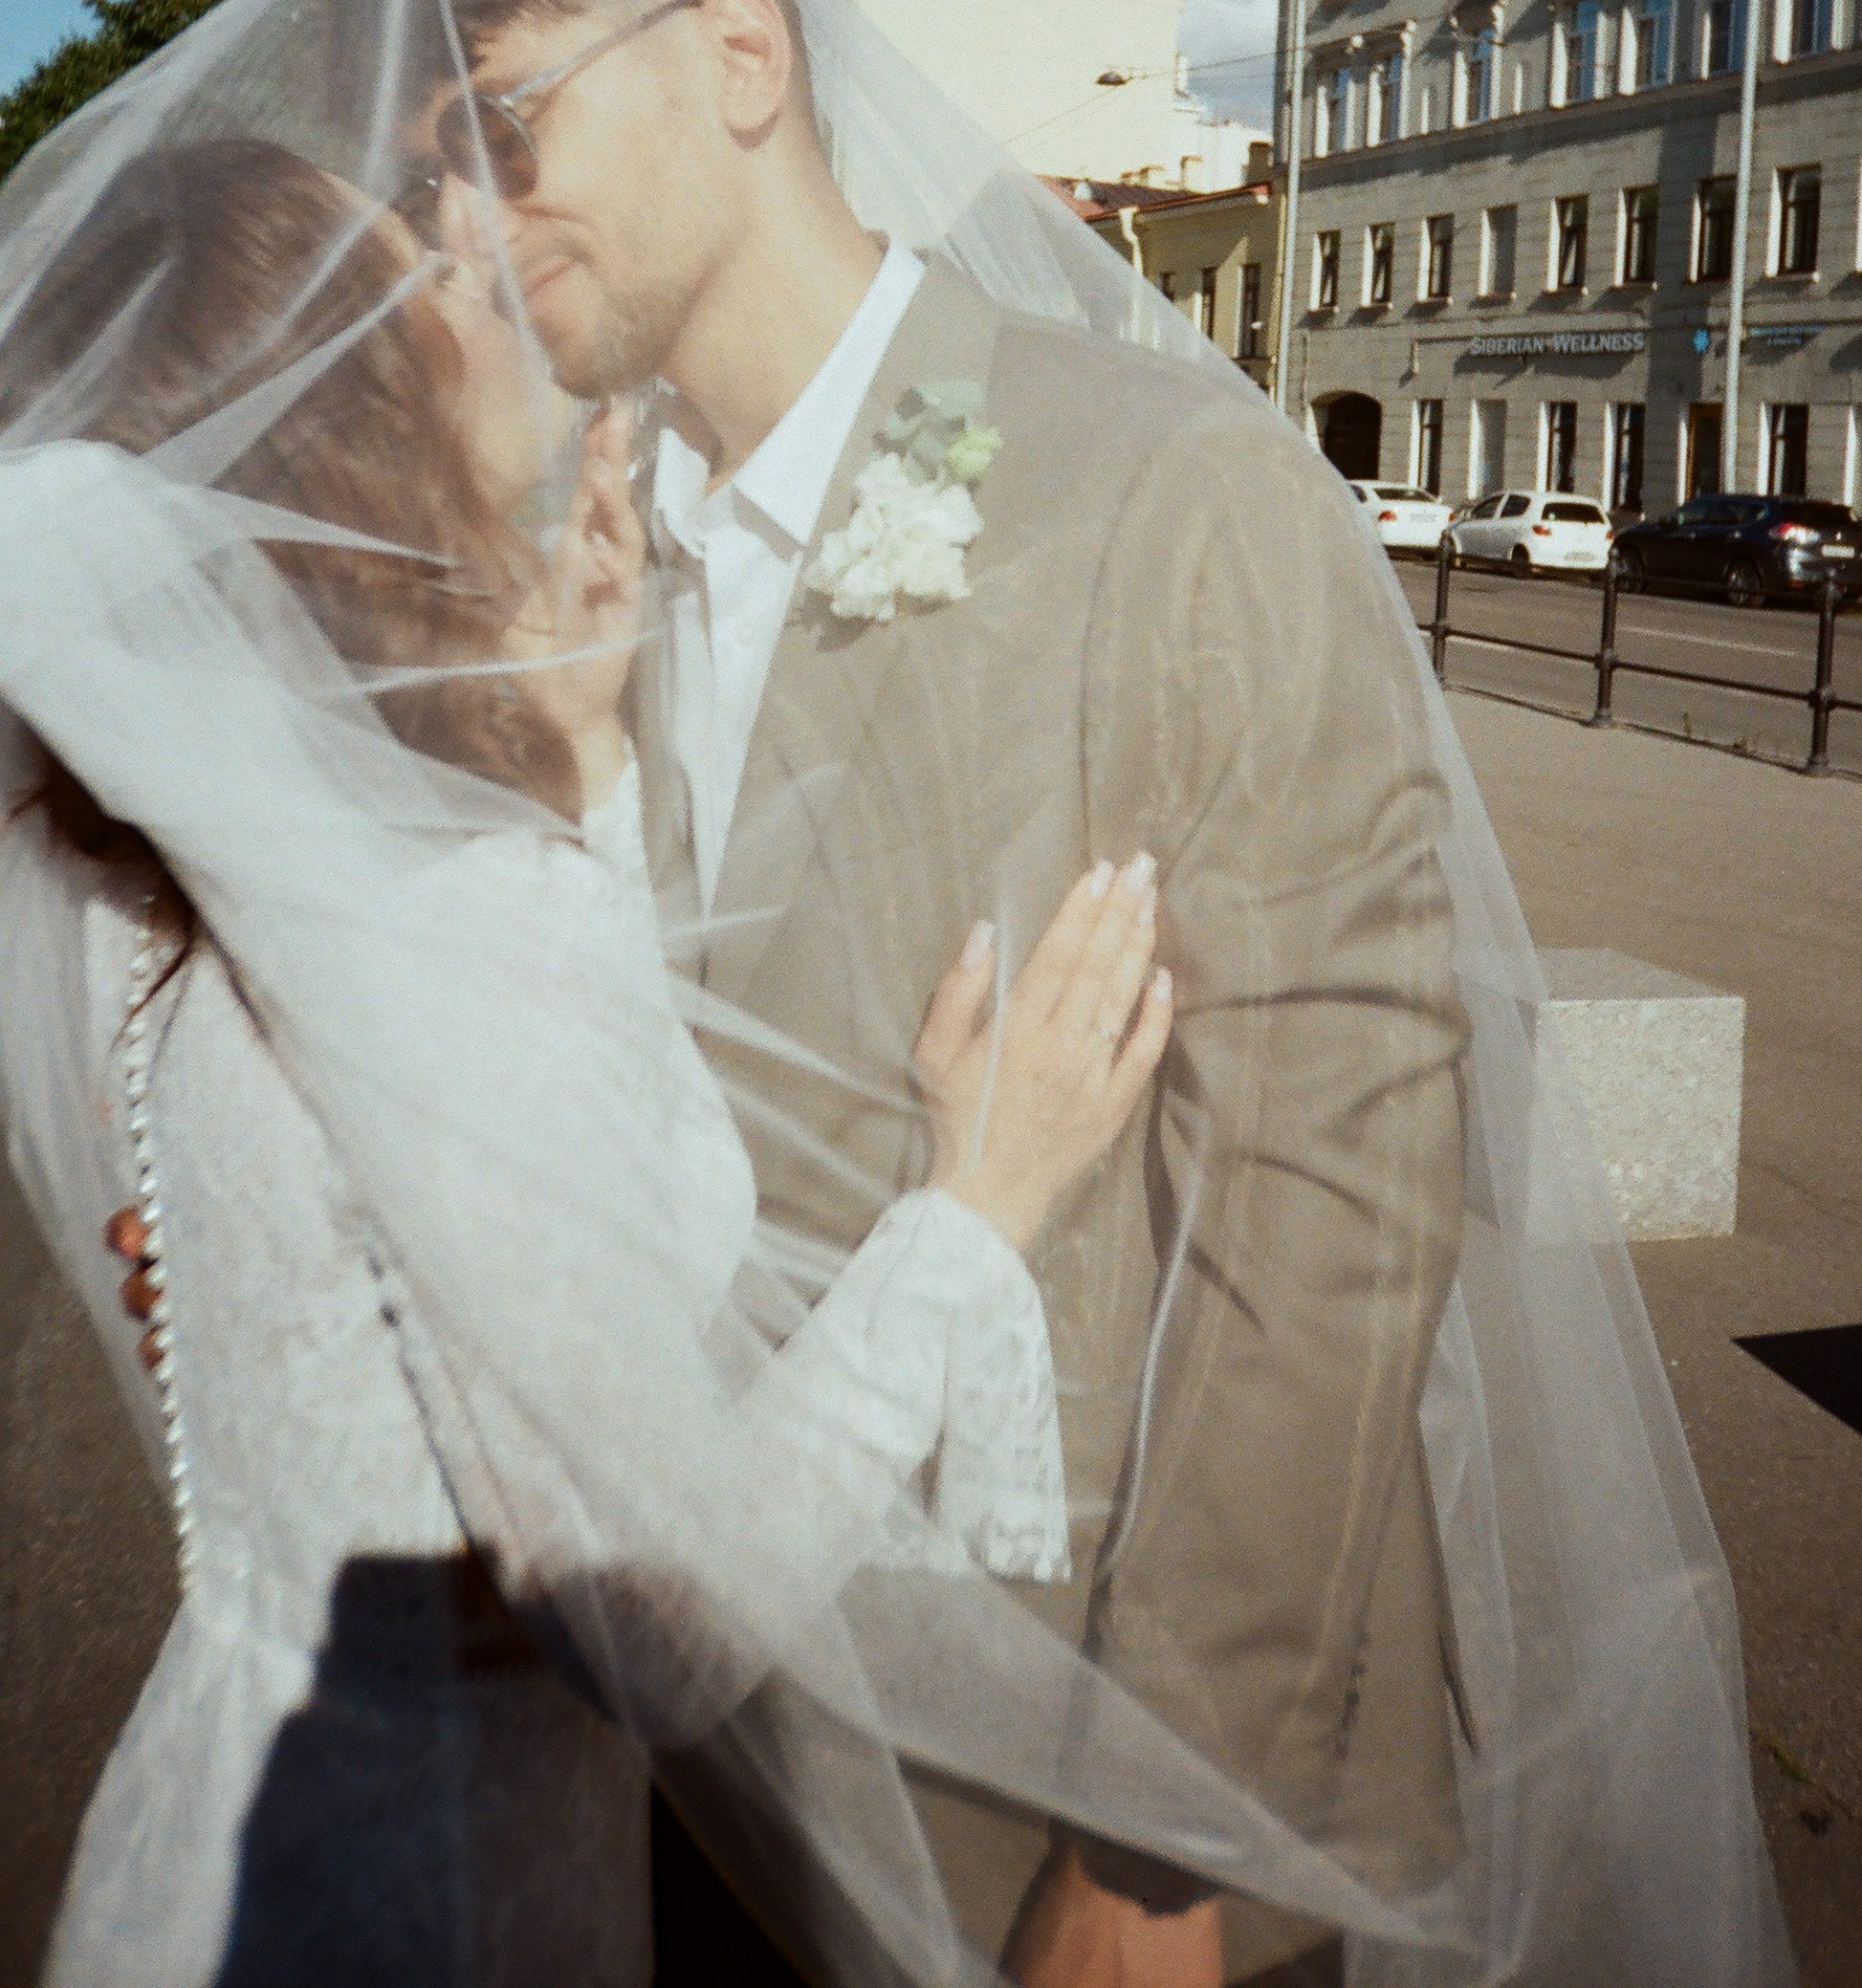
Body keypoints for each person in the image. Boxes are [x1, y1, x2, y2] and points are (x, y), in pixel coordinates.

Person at [4, 0, 1793, 1988]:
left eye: (498, 130)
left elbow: (1331, 1185)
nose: (462, 228)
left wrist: (1157, 1844)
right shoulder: (540, 563)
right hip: (674, 1759)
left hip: (1060, 1771)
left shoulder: (1167, 484)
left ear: (737, 57)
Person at [0, 137, 1171, 1987]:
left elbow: (480, 1191)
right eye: (441, 296)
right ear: (346, 427)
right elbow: (665, 1618)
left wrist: (584, 777)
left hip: (203, 1834)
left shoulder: (150, 878)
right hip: (429, 1906)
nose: (506, 301)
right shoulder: (449, 918)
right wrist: (975, 1208)